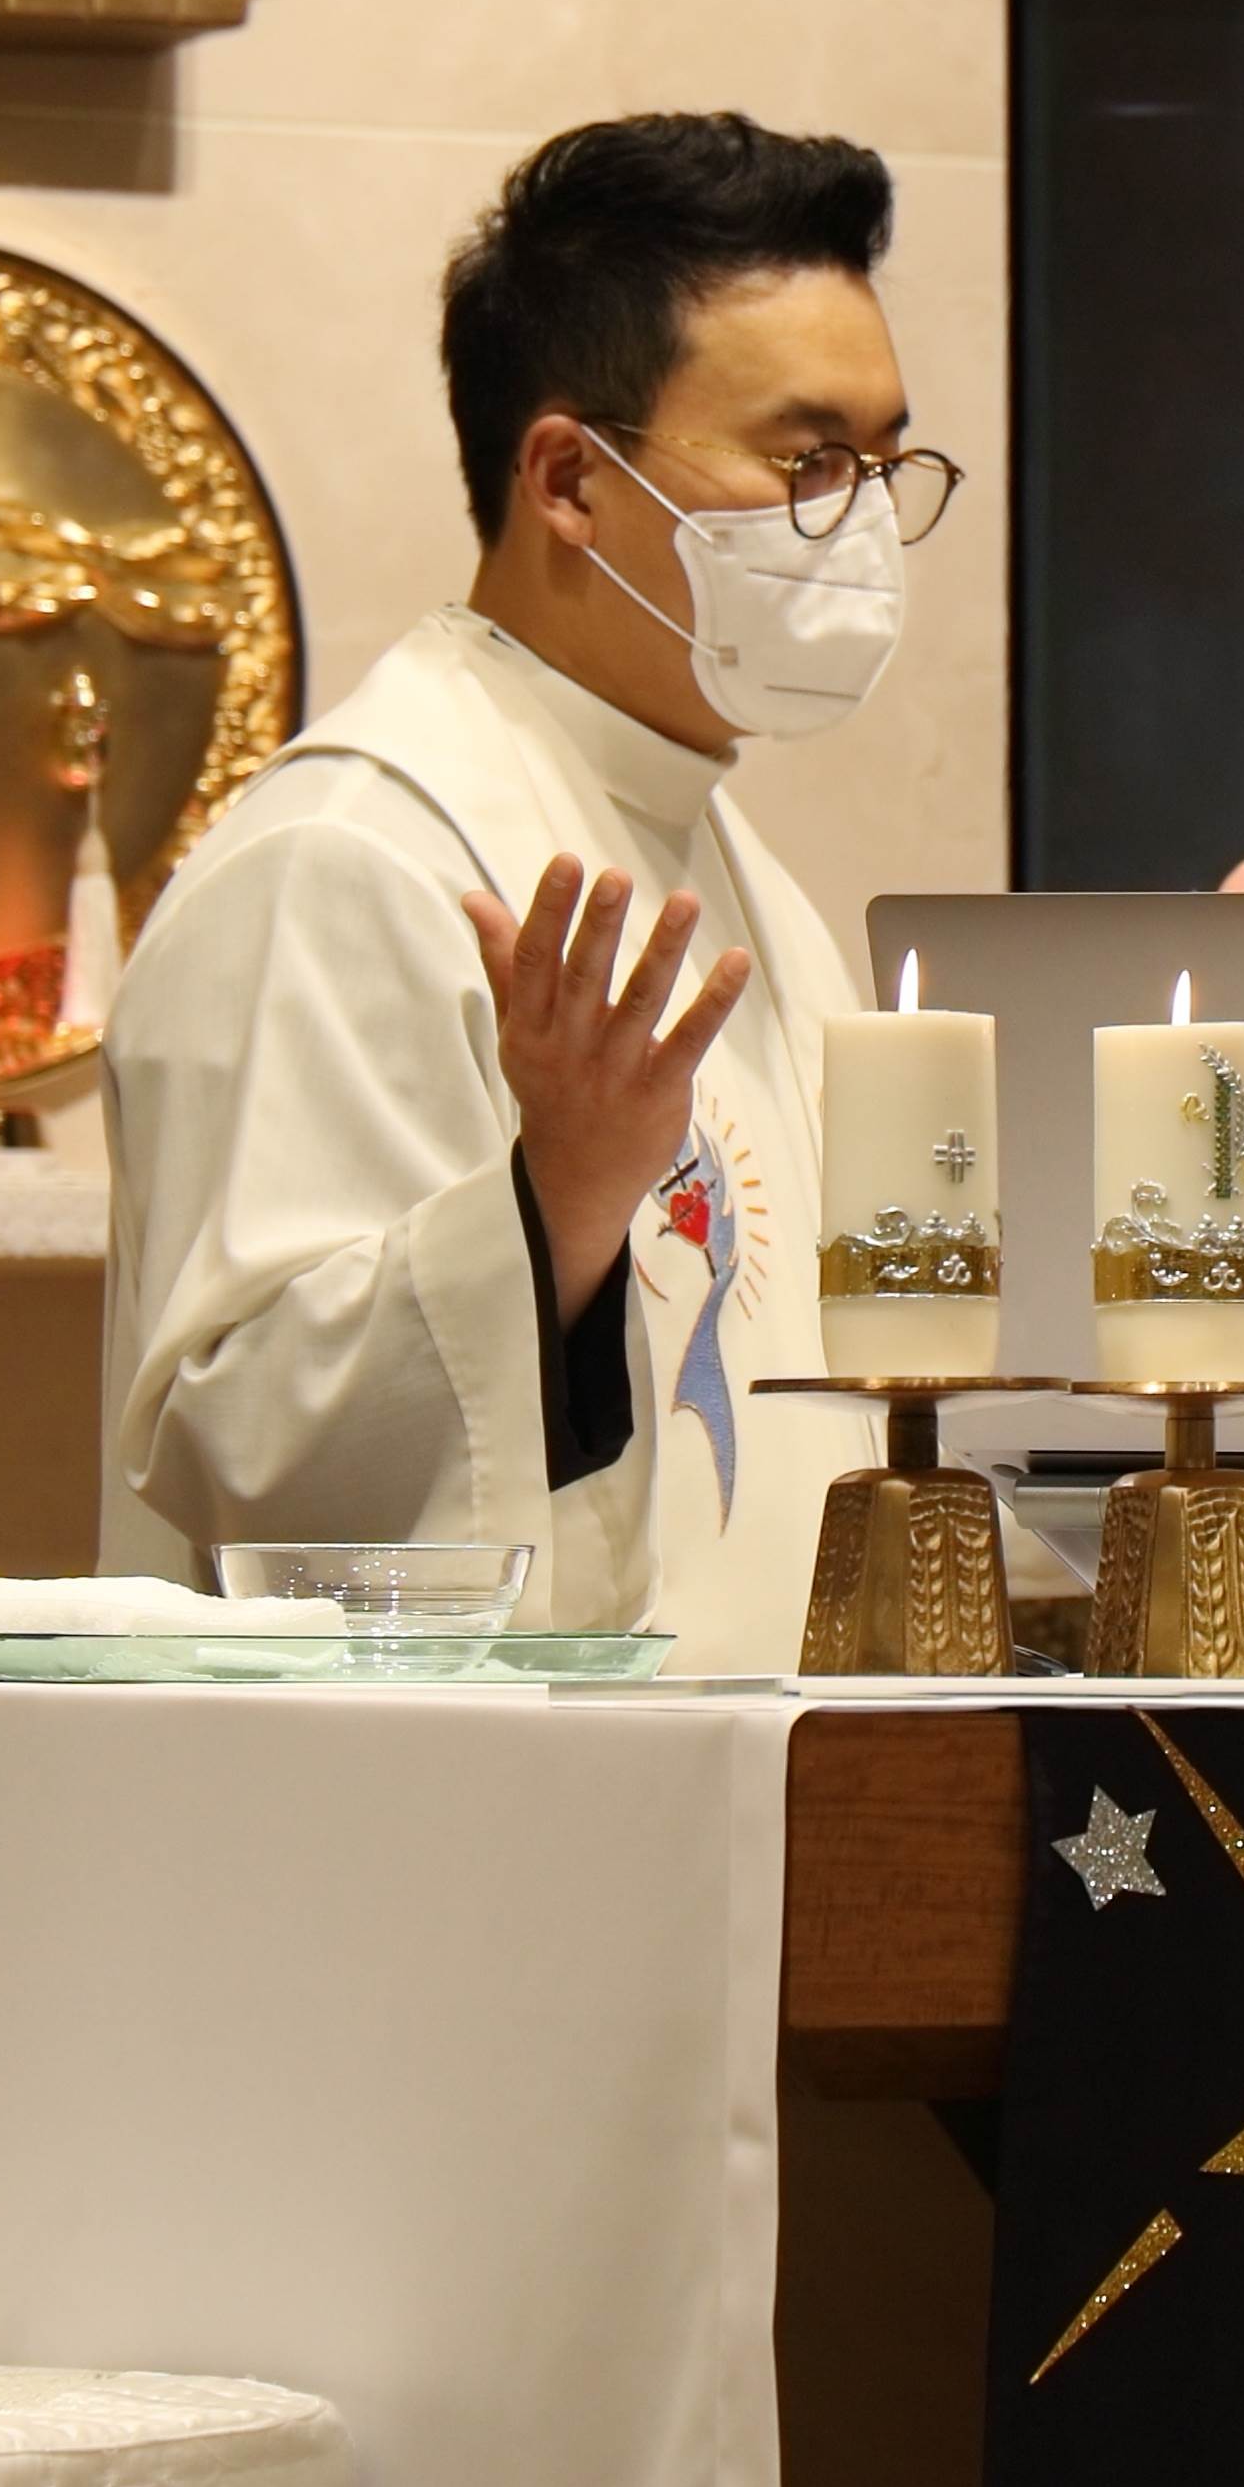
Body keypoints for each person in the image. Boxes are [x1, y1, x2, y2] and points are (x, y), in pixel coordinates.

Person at [93, 112, 962, 1671]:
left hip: (758, 1775)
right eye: (807, 460)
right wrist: (555, 1200)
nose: (862, 524)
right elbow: (249, 1453)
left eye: (886, 463)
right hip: (470, 1804)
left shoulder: (737, 870)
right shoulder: (348, 860)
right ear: (567, 478)